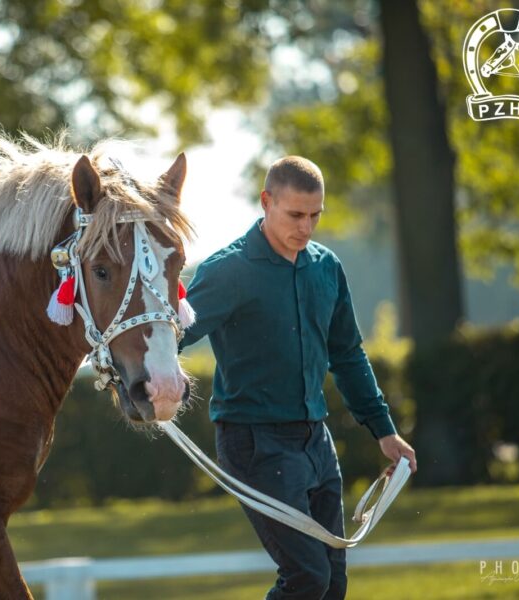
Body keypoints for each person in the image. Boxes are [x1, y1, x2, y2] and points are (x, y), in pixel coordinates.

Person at [179, 156, 417, 600]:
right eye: (295, 215)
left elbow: (347, 354)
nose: (306, 228)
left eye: (314, 215)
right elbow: (171, 335)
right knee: (307, 577)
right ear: (266, 201)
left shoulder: (326, 268)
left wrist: (384, 431)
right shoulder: (227, 271)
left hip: (316, 442)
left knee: (333, 584)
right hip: (253, 444)